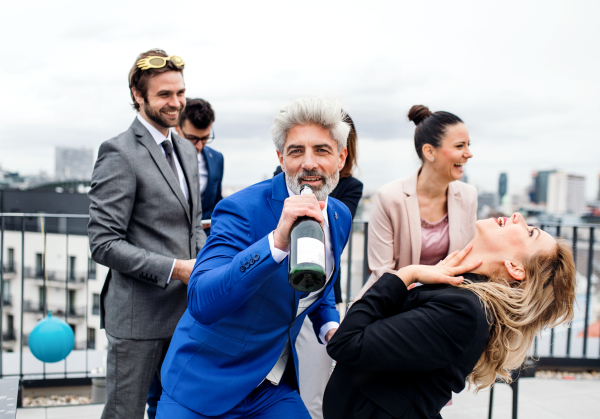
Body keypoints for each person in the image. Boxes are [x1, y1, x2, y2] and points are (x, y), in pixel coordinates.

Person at [156, 98, 353, 419]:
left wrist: (330, 326)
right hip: (205, 383)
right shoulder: (242, 210)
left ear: (341, 157)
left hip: (271, 388)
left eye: (321, 150)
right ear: (280, 158)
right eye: (295, 151)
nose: (308, 163)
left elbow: (319, 282)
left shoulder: (338, 215)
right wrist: (275, 243)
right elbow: (202, 300)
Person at [323, 213, 576, 419]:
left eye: (530, 232)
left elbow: (347, 343)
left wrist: (407, 274)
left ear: (515, 268)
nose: (518, 216)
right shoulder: (462, 295)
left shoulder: (465, 312)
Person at [88, 49, 206, 419]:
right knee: (124, 413)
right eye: (164, 95)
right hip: (138, 317)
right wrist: (176, 268)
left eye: (180, 92)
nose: (176, 103)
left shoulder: (186, 149)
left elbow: (194, 224)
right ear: (138, 96)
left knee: (173, 411)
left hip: (185, 313)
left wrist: (203, 267)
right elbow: (103, 243)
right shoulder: (118, 153)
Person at [357, 105, 476, 299]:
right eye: (459, 146)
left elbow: (469, 260)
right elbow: (382, 274)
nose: (469, 153)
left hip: (446, 303)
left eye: (469, 145)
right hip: (395, 302)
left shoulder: (469, 196)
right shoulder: (389, 197)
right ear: (429, 151)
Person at [295, 113, 363, 419]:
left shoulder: (349, 188)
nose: (309, 162)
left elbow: (331, 225)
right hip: (285, 290)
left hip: (322, 293)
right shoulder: (288, 176)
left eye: (324, 149)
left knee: (315, 390)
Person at [175, 98, 224, 235]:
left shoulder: (217, 159)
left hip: (206, 240)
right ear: (177, 126)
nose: (199, 146)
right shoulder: (162, 157)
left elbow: (217, 204)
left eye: (205, 138)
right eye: (192, 138)